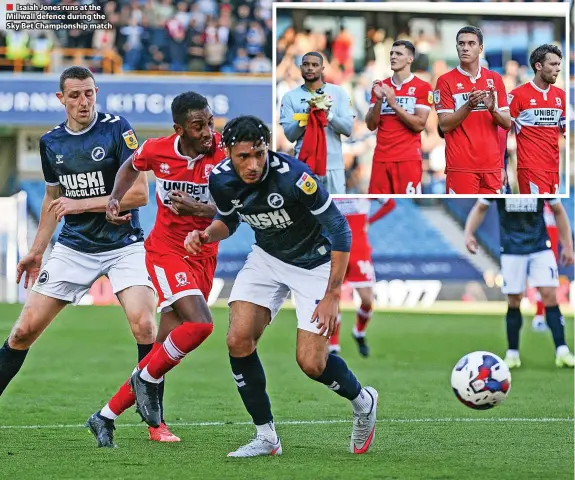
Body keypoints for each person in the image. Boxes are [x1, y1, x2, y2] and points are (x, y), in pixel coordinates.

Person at [184, 115, 378, 457]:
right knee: (238, 339)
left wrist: (333, 293)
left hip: (315, 265)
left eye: (259, 153)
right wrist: (205, 234)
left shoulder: (295, 177)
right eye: (244, 156)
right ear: (229, 152)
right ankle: (266, 437)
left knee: (312, 364)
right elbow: (228, 219)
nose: (254, 163)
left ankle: (363, 402)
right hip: (267, 258)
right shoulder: (220, 179)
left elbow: (340, 229)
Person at [0, 66, 176, 441]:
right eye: (75, 95)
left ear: (97, 93)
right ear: (60, 99)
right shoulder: (52, 143)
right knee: (21, 332)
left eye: (89, 93)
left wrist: (81, 205)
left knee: (145, 324)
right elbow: (52, 198)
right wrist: (36, 250)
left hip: (124, 246)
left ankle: (156, 424)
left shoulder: (117, 129)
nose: (84, 102)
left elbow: (139, 194)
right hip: (73, 248)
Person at [85, 92, 225, 447]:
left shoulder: (226, 152)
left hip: (204, 255)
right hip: (166, 251)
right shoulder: (158, 150)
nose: (208, 131)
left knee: (160, 354)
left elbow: (236, 210)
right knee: (201, 323)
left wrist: (200, 208)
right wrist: (116, 197)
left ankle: (104, 416)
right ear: (179, 129)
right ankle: (145, 387)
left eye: (210, 122)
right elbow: (130, 166)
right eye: (198, 126)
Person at [464, 198, 574, 369]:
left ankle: (562, 351)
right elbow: (480, 207)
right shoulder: (499, 182)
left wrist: (567, 245)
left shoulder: (539, 179)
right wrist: (469, 233)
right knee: (514, 299)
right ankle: (513, 354)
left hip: (540, 248)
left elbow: (558, 210)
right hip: (511, 250)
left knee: (550, 296)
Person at [434, 26, 511, 194]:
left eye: (471, 43)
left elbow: (506, 123)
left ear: (481, 48)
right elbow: (445, 125)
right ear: (456, 48)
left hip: (491, 167)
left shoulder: (495, 79)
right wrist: (469, 105)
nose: (465, 48)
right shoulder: (445, 81)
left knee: (492, 217)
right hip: (461, 167)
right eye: (461, 44)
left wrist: (493, 110)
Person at [279, 51, 354, 194]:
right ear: (300, 68)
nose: (310, 68)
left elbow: (348, 129)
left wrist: (328, 115)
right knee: (307, 213)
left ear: (322, 69)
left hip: (333, 166)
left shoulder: (339, 93)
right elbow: (290, 135)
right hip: (304, 167)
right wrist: (307, 116)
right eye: (306, 65)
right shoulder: (290, 97)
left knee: (336, 211)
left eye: (315, 65)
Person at [329, 198, 396, 357]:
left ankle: (359, 332)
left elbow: (390, 203)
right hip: (334, 249)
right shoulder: (329, 188)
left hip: (359, 251)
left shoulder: (363, 189)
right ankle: (333, 345)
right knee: (333, 297)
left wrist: (370, 221)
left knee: (367, 300)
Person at [365, 40, 433, 194]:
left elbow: (419, 125)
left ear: (410, 59)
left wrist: (394, 104)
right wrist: (379, 101)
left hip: (407, 159)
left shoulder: (423, 87)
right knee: (378, 208)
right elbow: (371, 125)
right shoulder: (381, 86)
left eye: (398, 54)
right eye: (391, 53)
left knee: (407, 206)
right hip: (381, 158)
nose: (393, 57)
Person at [509, 44, 566, 195]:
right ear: (538, 66)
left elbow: (565, 131)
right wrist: (501, 166)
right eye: (553, 64)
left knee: (550, 213)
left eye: (559, 64)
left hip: (554, 169)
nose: (558, 69)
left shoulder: (561, 96)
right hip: (530, 169)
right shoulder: (518, 95)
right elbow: (502, 131)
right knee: (536, 215)